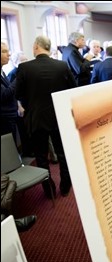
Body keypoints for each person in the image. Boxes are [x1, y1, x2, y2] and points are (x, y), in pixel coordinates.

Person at [15, 35, 77, 198]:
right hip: (58, 117)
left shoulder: (24, 68)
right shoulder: (62, 66)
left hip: (36, 118)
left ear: (36, 46)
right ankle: (65, 186)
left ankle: (48, 190)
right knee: (63, 154)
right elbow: (73, 88)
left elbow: (17, 92)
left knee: (41, 157)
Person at [1, 42, 21, 144]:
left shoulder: (2, 71)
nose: (8, 54)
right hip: (4, 118)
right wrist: (19, 77)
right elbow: (4, 94)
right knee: (8, 147)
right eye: (4, 51)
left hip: (10, 116)